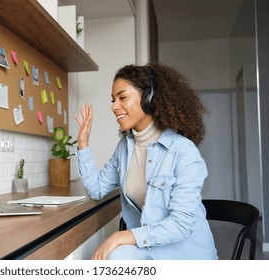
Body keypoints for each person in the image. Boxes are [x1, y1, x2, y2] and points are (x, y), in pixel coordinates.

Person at [74, 63, 218, 260]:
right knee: (114, 258)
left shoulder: (183, 151)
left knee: (115, 252)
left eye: (122, 97)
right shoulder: (124, 148)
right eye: (113, 100)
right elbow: (96, 189)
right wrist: (83, 144)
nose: (114, 106)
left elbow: (180, 225)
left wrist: (120, 236)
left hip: (186, 255)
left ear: (149, 98)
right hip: (149, 248)